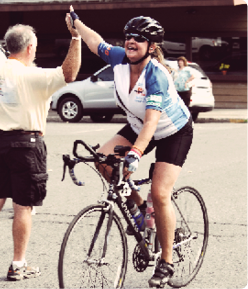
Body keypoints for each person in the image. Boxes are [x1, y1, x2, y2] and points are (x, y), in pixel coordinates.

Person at [68, 6, 193, 288]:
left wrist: (136, 154)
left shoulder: (156, 75)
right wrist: (77, 23)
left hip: (172, 131)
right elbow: (93, 41)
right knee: (103, 160)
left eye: (138, 38)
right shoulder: (118, 58)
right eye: (128, 36)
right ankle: (139, 210)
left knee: (160, 194)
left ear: (151, 46)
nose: (131, 41)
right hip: (138, 125)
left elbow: (153, 123)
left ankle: (167, 262)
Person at [0, 15, 81, 281]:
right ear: (30, 48)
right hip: (26, 145)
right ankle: (18, 264)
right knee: (23, 206)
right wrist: (75, 38)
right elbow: (69, 73)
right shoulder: (34, 75)